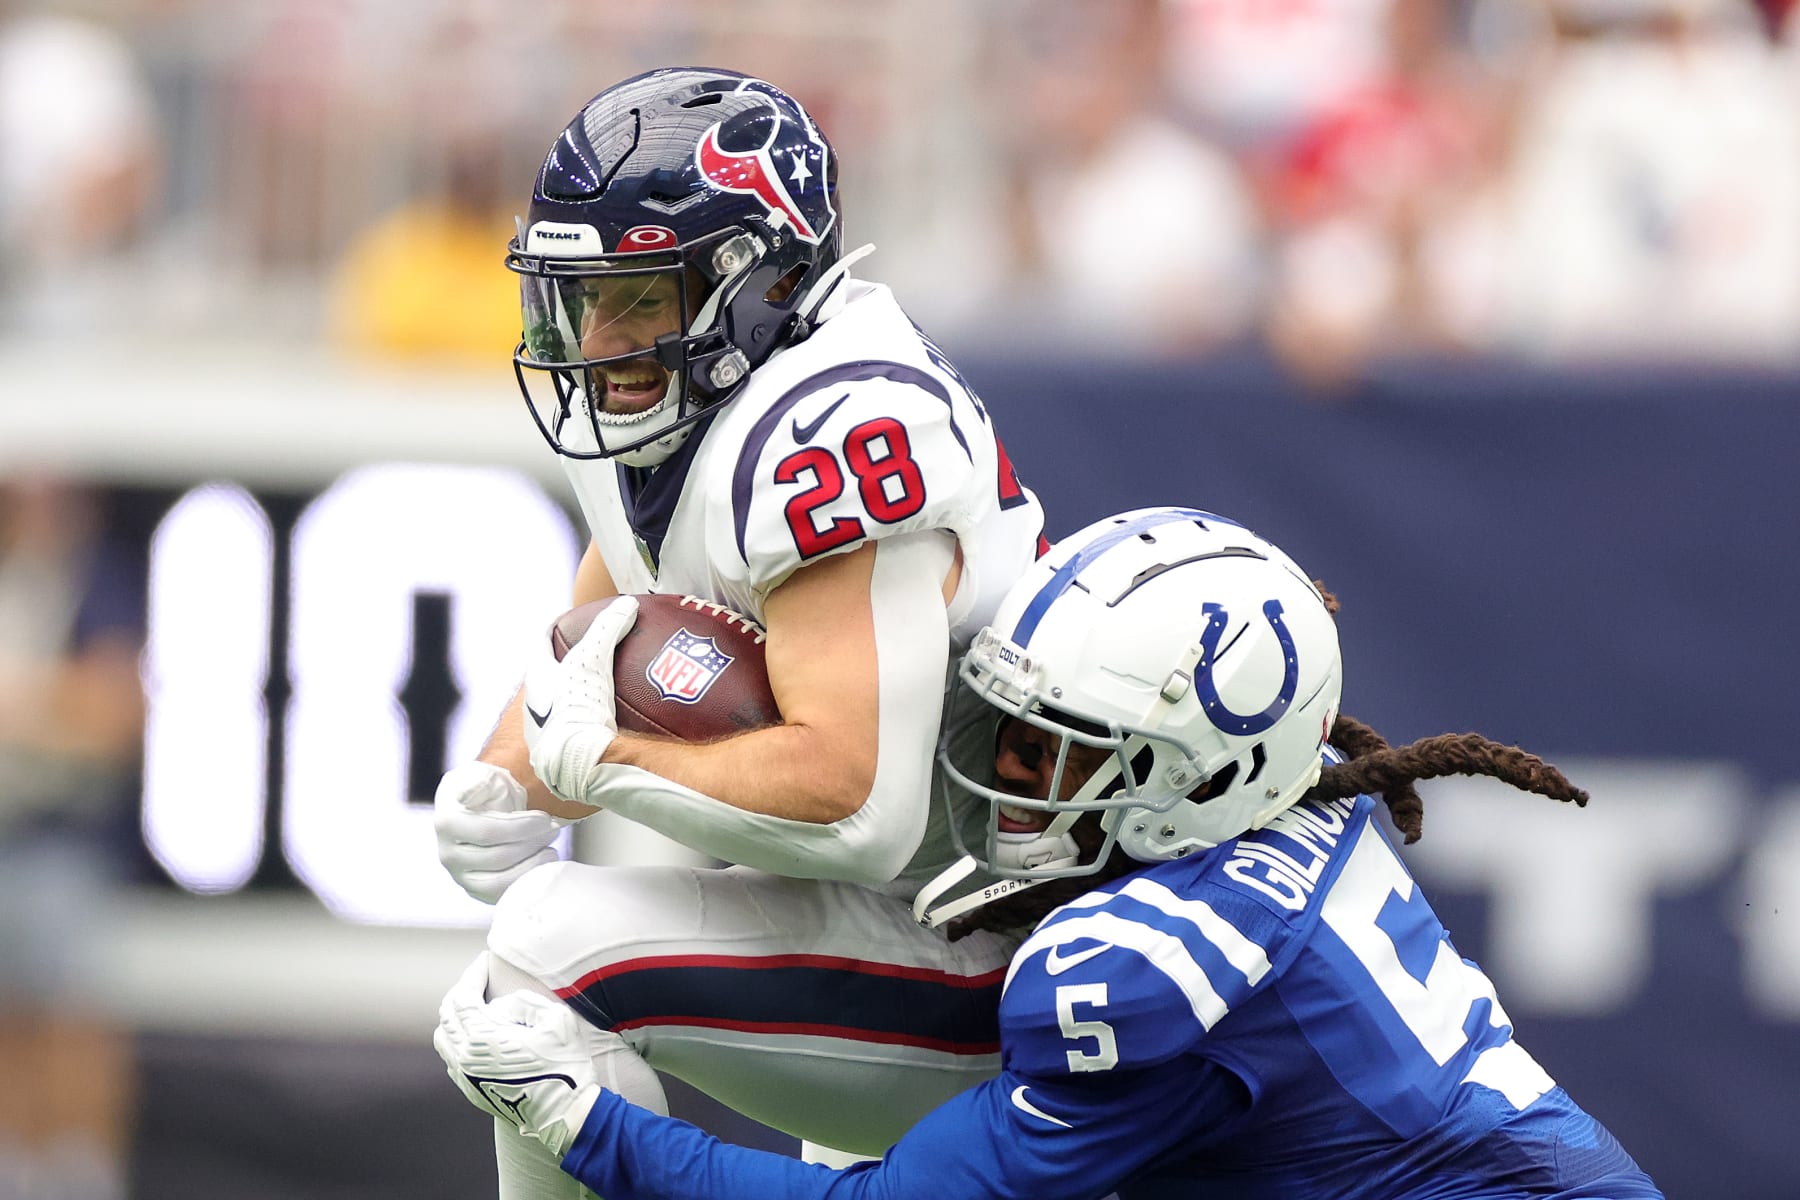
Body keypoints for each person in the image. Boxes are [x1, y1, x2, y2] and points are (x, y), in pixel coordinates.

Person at [434, 506, 1665, 1200]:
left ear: (1201, 779)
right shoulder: (1294, 809)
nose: (1012, 775)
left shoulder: (1151, 973)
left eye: (1062, 752)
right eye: (1020, 732)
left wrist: (588, 1126)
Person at [429, 66, 1048, 1195]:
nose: (596, 337)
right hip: (888, 924)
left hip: (1010, 953)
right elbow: (602, 643)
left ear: (758, 283)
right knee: (528, 966)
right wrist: (506, 780)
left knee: (544, 959)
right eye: (578, 297)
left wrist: (604, 765)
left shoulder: (834, 426)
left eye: (635, 296)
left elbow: (857, 808)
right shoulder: (687, 405)